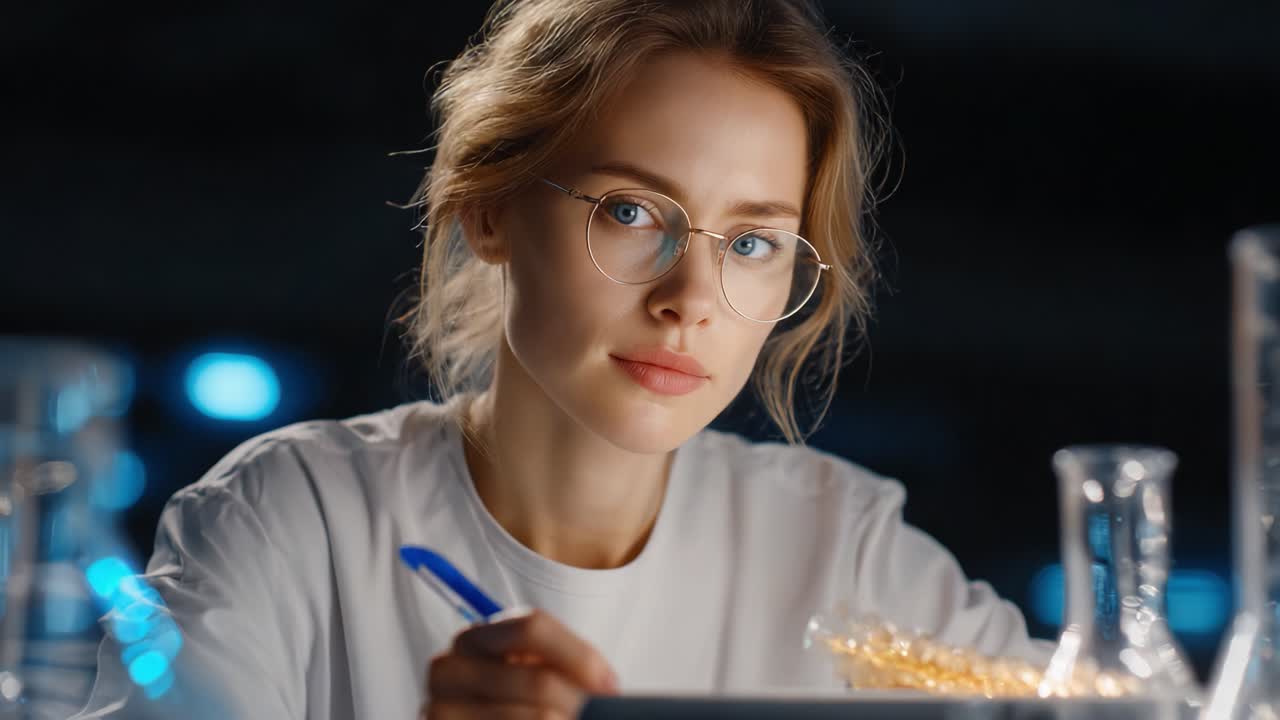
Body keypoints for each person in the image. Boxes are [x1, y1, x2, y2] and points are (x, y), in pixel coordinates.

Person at [74, 1, 1048, 718]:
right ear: (488, 210)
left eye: (749, 242)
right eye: (630, 212)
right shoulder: (295, 519)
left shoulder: (844, 556)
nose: (688, 301)